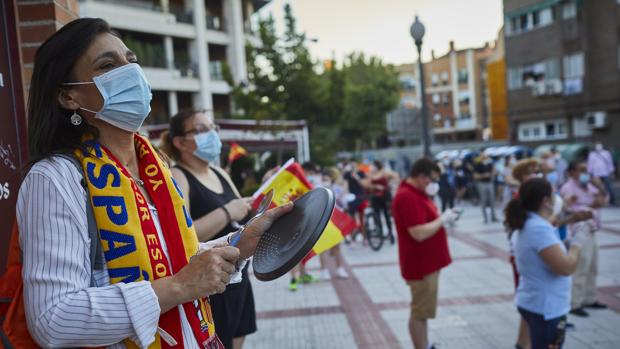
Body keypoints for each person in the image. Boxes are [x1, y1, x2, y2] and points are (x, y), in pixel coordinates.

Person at [16, 18, 292, 348]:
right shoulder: (56, 178)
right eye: (108, 65)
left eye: (131, 61)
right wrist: (178, 287)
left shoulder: (154, 166)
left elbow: (169, 262)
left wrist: (240, 241)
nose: (130, 72)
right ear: (69, 97)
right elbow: (53, 319)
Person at [160, 109, 257, 349]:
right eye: (202, 130)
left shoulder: (219, 172)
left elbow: (241, 214)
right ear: (180, 142)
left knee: (237, 340)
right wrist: (227, 212)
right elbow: (181, 235)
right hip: (209, 286)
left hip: (238, 277)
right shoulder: (177, 176)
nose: (212, 135)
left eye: (213, 128)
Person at [505, 178, 589, 349]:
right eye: (553, 194)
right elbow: (566, 268)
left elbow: (549, 252)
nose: (557, 199)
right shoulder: (538, 229)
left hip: (535, 301)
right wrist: (578, 243)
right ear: (545, 201)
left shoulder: (530, 222)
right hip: (546, 308)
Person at [392, 157, 459, 349]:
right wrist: (442, 220)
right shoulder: (407, 196)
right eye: (432, 179)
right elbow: (418, 233)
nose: (433, 184)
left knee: (423, 310)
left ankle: (425, 344)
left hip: (427, 262)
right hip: (421, 265)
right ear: (422, 177)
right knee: (420, 312)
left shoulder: (416, 193)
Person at [560, 160, 608, 317]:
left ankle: (590, 298)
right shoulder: (568, 188)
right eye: (581, 170)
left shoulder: (590, 186)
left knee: (592, 266)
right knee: (581, 267)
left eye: (586, 170)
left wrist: (599, 186)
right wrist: (591, 206)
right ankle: (575, 303)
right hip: (579, 231)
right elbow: (566, 210)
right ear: (572, 172)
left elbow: (603, 200)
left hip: (592, 229)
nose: (585, 173)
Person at [317, 167, 349, 280]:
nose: (325, 180)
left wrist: (342, 193)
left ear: (331, 179)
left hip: (336, 221)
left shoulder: (338, 189)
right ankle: (324, 270)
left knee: (336, 246)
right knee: (322, 247)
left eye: (327, 179)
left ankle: (340, 268)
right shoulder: (318, 189)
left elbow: (344, 204)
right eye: (323, 179)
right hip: (323, 221)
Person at [369, 160, 397, 243]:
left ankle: (390, 233)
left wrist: (390, 185)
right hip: (375, 197)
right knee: (377, 216)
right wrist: (375, 186)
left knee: (387, 215)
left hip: (385, 196)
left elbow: (395, 176)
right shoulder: (372, 174)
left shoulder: (384, 172)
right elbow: (368, 184)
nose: (372, 167)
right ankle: (380, 233)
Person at [474, 152, 498, 223]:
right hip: (482, 183)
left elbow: (494, 172)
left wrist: (491, 174)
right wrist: (484, 175)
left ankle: (493, 216)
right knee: (483, 200)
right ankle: (485, 218)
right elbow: (475, 176)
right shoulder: (477, 165)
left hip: (489, 182)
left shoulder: (489, 164)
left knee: (492, 200)